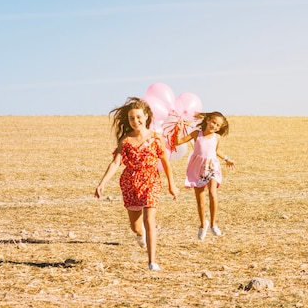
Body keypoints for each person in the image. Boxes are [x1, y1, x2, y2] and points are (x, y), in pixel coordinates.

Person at [95, 97, 179, 271]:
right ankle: (140, 235)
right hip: (130, 183)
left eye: (139, 117)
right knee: (136, 227)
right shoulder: (125, 141)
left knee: (150, 220)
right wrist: (102, 183)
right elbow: (116, 163)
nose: (136, 121)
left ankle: (152, 262)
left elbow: (165, 162)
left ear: (147, 116)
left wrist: (172, 185)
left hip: (151, 181)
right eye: (132, 118)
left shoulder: (156, 138)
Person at [175, 111, 236, 240]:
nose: (215, 126)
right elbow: (178, 142)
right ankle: (203, 224)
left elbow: (216, 151)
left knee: (213, 194)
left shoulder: (217, 137)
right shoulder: (197, 134)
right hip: (198, 168)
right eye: (213, 122)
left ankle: (213, 224)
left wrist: (227, 159)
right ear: (208, 120)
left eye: (218, 126)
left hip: (212, 167)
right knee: (200, 202)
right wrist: (178, 130)